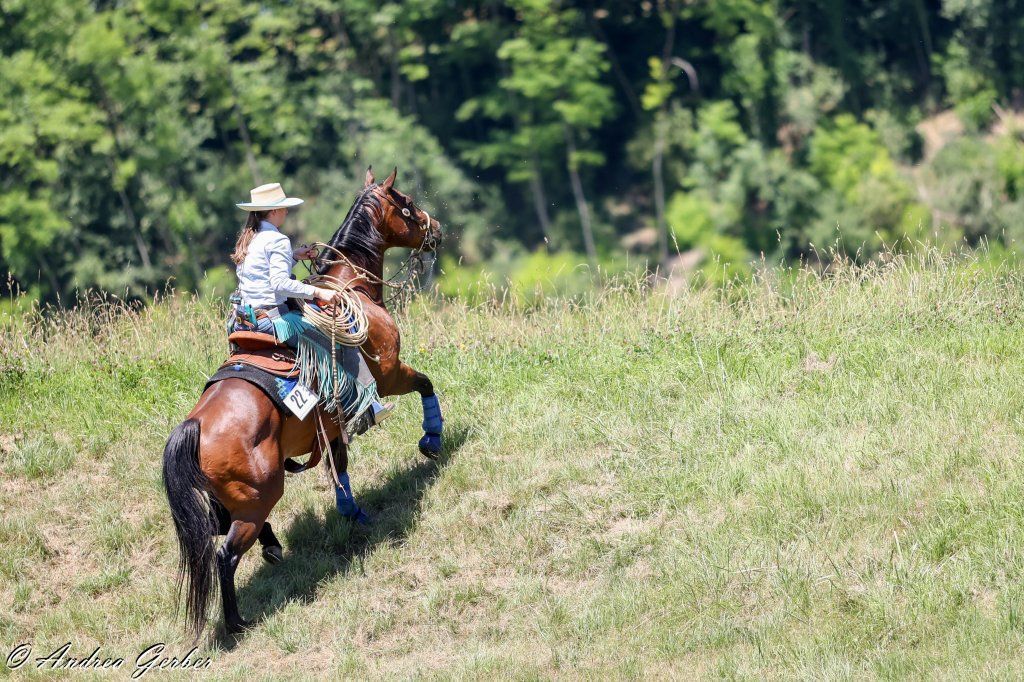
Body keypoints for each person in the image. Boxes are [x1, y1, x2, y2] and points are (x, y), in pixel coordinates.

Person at [230, 182, 393, 430]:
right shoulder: (277, 240)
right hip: (274, 320)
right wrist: (320, 293)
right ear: (273, 212)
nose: (286, 212)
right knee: (339, 337)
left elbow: (261, 274)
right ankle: (365, 408)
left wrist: (294, 256)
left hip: (245, 319)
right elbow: (279, 285)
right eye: (283, 208)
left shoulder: (250, 239)